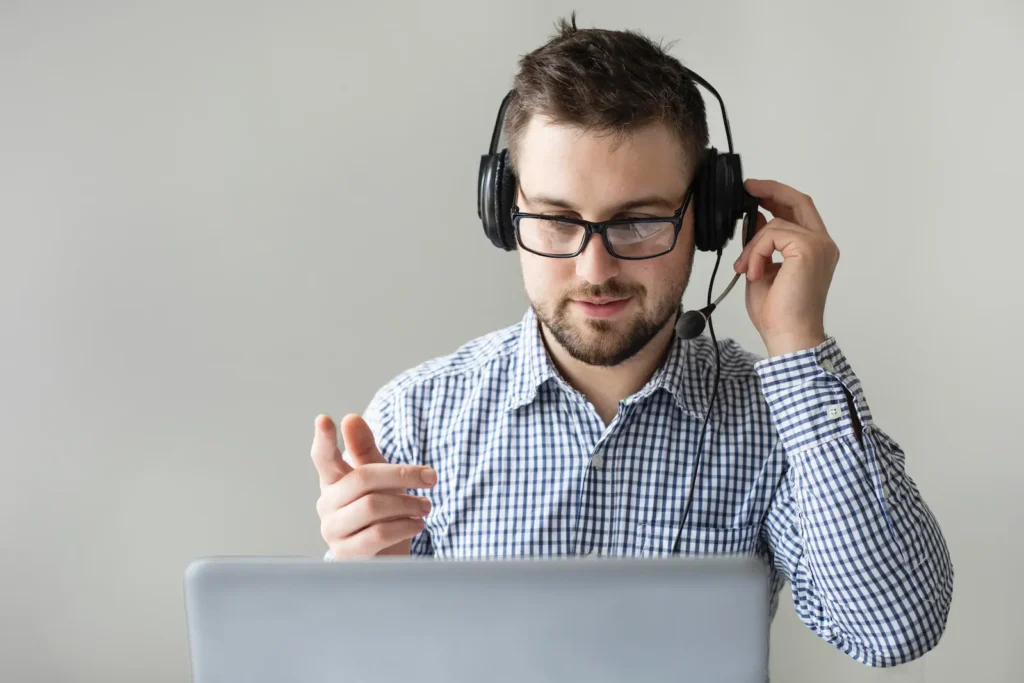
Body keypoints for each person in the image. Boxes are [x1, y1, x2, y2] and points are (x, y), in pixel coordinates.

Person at [309, 14, 952, 667]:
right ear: (503, 211)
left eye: (639, 221)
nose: (595, 270)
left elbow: (893, 628)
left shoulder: (774, 422)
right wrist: (361, 588)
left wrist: (797, 343)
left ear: (710, 217)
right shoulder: (417, 415)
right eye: (557, 220)